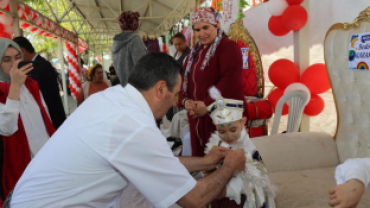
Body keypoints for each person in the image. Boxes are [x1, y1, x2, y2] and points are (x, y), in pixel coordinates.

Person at [8, 52, 246, 208]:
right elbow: (194, 199)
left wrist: (206, 162)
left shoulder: (112, 98)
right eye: (175, 95)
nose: (175, 103)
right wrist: (228, 167)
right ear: (160, 89)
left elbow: (159, 162)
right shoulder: (133, 126)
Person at [179, 7, 248, 157]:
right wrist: (185, 101)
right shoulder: (193, 53)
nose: (201, 33)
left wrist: (208, 104)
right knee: (204, 160)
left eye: (206, 27)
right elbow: (184, 80)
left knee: (226, 162)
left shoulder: (228, 47)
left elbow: (229, 81)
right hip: (198, 117)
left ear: (216, 25)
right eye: (197, 30)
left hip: (223, 117)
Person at [0, 38, 55, 206]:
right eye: (6, 60)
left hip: (44, 158)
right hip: (19, 163)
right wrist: (15, 86)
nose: (14, 64)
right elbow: (7, 127)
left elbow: (45, 119)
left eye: (17, 57)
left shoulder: (31, 84)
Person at [203, 87, 276, 208]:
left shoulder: (246, 148)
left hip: (242, 197)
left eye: (233, 130)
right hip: (218, 192)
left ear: (242, 123)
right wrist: (208, 170)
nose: (228, 135)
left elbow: (253, 177)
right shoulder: (216, 144)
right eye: (222, 131)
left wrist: (227, 190)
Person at [12, 36, 66, 129]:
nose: (15, 61)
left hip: (50, 117)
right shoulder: (39, 64)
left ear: (23, 51)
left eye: (15, 56)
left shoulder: (38, 67)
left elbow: (44, 96)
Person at [112, 11, 147, 87]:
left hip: (122, 87)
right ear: (136, 24)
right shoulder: (135, 40)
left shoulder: (116, 42)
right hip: (136, 88)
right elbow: (142, 67)